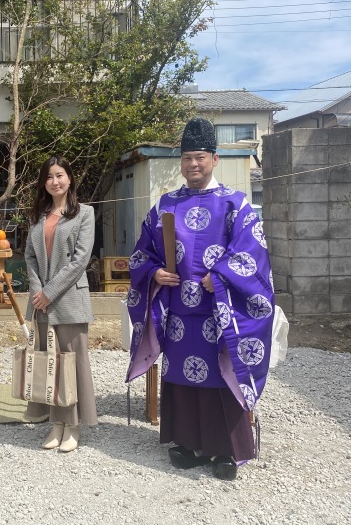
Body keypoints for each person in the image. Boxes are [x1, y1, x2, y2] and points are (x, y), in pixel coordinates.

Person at [125, 117, 274, 480]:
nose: (194, 164)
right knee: (181, 378)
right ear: (181, 161)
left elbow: (251, 255)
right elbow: (141, 254)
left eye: (201, 157)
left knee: (221, 378)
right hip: (177, 312)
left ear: (214, 159)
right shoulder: (165, 204)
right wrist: (154, 273)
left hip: (218, 312)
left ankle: (226, 449)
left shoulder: (235, 204)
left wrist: (220, 276)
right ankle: (187, 442)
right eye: (187, 157)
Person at [24, 156, 98, 453]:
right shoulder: (37, 216)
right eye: (49, 177)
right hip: (41, 303)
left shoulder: (84, 214)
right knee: (50, 364)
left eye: (60, 175)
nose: (55, 181)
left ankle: (74, 426)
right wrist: (37, 291)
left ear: (69, 178)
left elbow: (80, 260)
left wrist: (50, 292)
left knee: (73, 363)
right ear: (45, 183)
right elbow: (29, 257)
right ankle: (56, 424)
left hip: (69, 300)